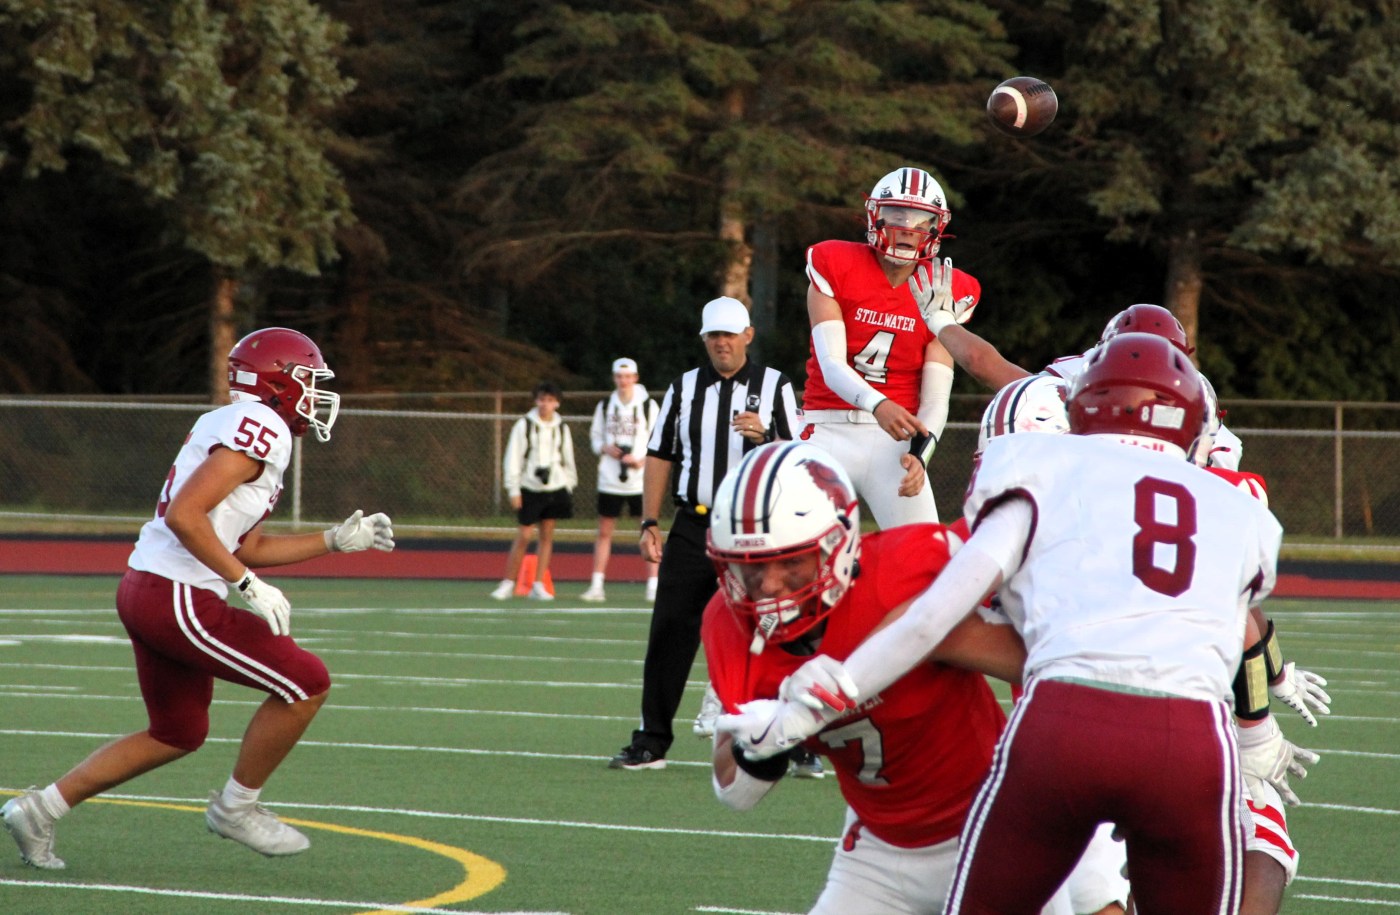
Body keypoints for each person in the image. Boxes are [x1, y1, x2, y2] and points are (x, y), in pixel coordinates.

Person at [721, 333, 1319, 913]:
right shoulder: (1238, 504)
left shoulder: (1044, 470)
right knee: (1239, 841)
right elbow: (1243, 627)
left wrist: (823, 698)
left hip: (1066, 721)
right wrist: (1258, 730)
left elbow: (932, 620)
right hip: (1190, 737)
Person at [1, 327, 394, 869]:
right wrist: (245, 583)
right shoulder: (262, 426)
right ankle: (236, 808)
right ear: (276, 382)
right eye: (307, 379)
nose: (315, 393)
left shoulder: (233, 423)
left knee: (177, 731)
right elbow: (185, 515)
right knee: (307, 682)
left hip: (148, 587)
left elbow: (245, 545)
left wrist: (331, 541)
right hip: (177, 594)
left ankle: (39, 810)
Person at [702, 440, 1088, 914]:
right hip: (877, 853)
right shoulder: (728, 625)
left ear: (838, 544)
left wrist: (934, 633)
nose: (769, 586)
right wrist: (764, 739)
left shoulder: (905, 571)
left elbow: (1050, 659)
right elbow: (735, 791)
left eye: (790, 562)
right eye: (751, 567)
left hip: (995, 829)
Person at [607, 296, 801, 771]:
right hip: (695, 525)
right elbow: (661, 453)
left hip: (756, 529)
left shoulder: (775, 386)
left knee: (777, 632)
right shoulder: (684, 387)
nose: (721, 343)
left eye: (729, 334)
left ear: (748, 335)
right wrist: (649, 522)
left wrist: (766, 435)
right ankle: (651, 740)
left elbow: (798, 456)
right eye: (714, 335)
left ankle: (793, 740)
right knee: (669, 631)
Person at [801, 166, 981, 527]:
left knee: (924, 553)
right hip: (825, 430)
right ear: (875, 215)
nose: (907, 227)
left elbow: (935, 399)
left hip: (895, 442)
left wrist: (921, 454)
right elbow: (831, 364)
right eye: (897, 214)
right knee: (790, 544)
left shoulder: (944, 289)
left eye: (921, 219)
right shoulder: (835, 263)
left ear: (938, 226)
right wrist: (879, 404)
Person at [489, 381, 578, 601]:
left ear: (557, 403)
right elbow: (513, 458)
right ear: (536, 401)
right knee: (524, 535)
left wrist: (569, 484)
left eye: (550, 400)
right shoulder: (524, 425)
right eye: (541, 399)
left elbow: (568, 458)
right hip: (529, 486)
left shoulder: (562, 427)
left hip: (555, 487)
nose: (545, 404)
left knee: (547, 535)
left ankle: (538, 584)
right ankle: (508, 583)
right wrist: (513, 489)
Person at [583, 358, 659, 603]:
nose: (623, 381)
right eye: (619, 376)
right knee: (604, 531)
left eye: (627, 376)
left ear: (635, 378)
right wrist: (605, 448)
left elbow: (659, 440)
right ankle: (597, 585)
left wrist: (641, 460)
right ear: (614, 378)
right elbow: (595, 437)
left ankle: (653, 584)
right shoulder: (605, 405)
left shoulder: (648, 405)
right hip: (610, 478)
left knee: (647, 530)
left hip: (639, 480)